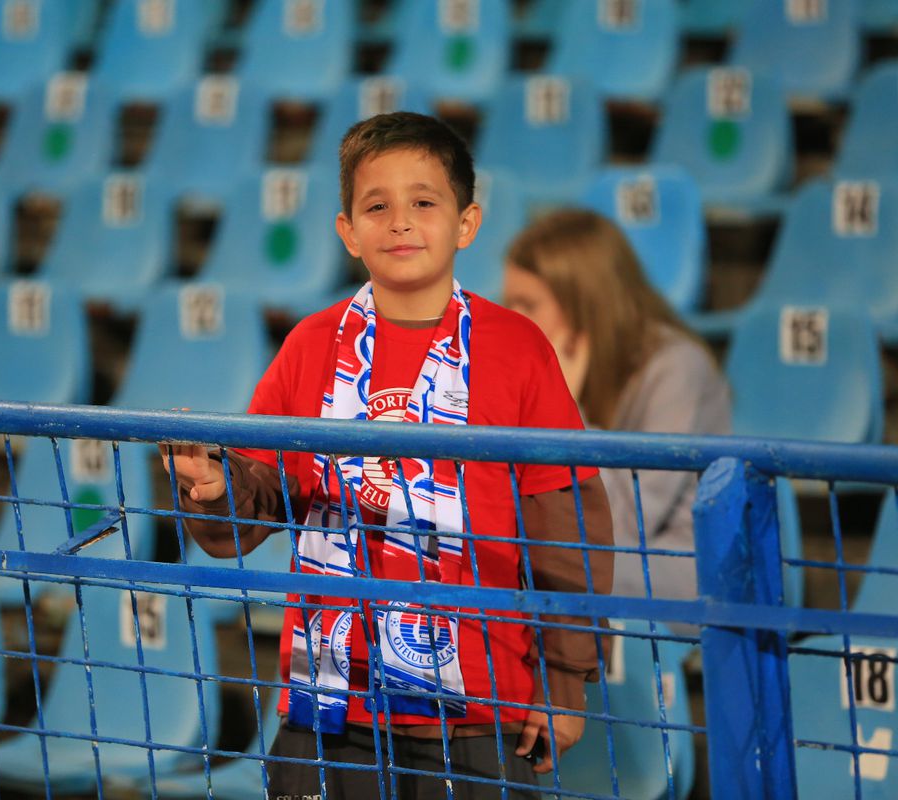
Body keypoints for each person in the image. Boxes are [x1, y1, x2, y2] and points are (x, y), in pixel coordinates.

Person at [161, 112, 614, 799]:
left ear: (466, 224)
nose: (400, 222)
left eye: (424, 203)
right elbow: (257, 501)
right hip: (329, 710)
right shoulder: (312, 345)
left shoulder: (518, 347)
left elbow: (564, 521)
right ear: (347, 231)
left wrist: (565, 679)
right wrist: (213, 487)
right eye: (377, 206)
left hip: (478, 716)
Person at [503, 208, 731, 603]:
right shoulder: (535, 366)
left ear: (584, 305)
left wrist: (562, 414)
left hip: (685, 569)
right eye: (510, 304)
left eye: (529, 305)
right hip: (594, 555)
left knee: (528, 563)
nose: (515, 322)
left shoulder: (675, 367)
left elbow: (625, 523)